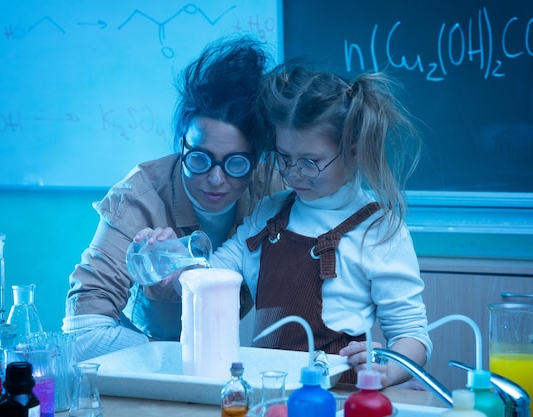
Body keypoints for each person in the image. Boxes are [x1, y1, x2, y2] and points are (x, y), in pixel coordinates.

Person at [137, 63, 432, 387]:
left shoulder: (379, 231)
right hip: (267, 394)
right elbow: (207, 281)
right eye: (284, 157)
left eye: (310, 161)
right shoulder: (267, 215)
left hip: (337, 400)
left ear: (352, 152)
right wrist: (172, 260)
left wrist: (389, 367)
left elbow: (412, 336)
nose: (293, 174)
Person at [62, 35, 285, 362]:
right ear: (182, 144)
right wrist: (183, 360)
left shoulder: (277, 188)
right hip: (155, 374)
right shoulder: (136, 201)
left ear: (257, 160)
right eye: (199, 158)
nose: (215, 179)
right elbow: (82, 333)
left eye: (236, 163)